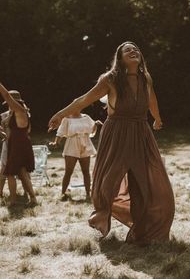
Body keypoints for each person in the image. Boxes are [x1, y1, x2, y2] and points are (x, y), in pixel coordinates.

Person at [49, 42, 175, 245]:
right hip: (117, 133)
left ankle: (142, 230)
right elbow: (85, 99)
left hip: (141, 132)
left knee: (146, 181)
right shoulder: (111, 79)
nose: (134, 51)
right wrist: (60, 115)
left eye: (136, 49)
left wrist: (157, 119)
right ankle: (101, 213)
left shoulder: (145, 78)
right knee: (109, 179)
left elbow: (152, 100)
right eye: (128, 50)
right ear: (120, 57)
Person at [49, 111, 102, 201]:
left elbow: (91, 131)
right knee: (68, 171)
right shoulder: (67, 119)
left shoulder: (86, 117)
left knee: (86, 171)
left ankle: (88, 194)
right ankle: (63, 193)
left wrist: (96, 124)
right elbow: (60, 132)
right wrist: (56, 142)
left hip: (85, 143)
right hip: (72, 144)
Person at [0, 84, 37, 206]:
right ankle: (33, 199)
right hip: (19, 143)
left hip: (18, 145)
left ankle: (13, 201)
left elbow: (6, 95)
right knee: (21, 172)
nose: (8, 103)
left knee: (10, 173)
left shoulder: (20, 110)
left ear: (15, 102)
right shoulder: (19, 112)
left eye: (9, 101)